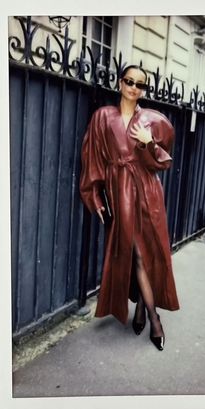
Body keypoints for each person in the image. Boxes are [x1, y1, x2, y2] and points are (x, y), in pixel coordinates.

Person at [80, 65, 180, 351]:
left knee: (146, 252)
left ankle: (145, 313)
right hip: (120, 193)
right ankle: (153, 318)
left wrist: (149, 144)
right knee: (135, 252)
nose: (134, 87)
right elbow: (93, 159)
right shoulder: (103, 117)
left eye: (140, 84)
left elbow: (161, 163)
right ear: (119, 83)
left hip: (148, 192)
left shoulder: (150, 121)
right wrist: (95, 196)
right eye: (129, 81)